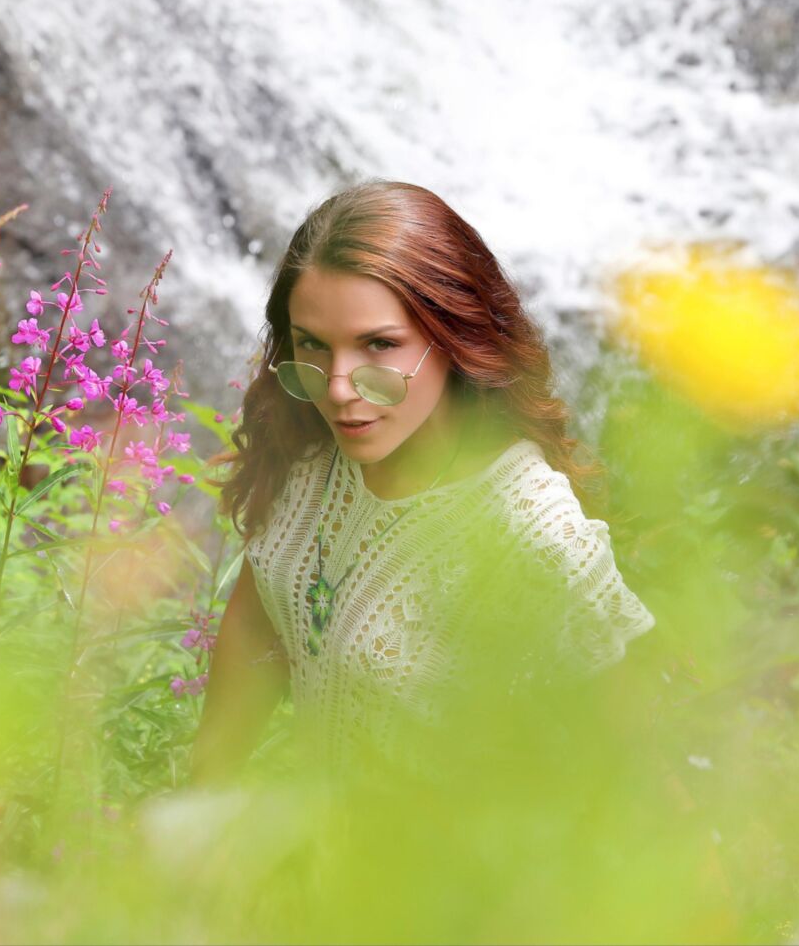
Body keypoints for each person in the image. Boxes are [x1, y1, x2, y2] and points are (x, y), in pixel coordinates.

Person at [188, 179, 656, 789]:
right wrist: (196, 810)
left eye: (378, 345)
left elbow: (638, 776)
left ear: (455, 335)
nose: (336, 388)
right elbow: (262, 613)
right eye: (313, 345)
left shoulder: (535, 533)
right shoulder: (312, 455)